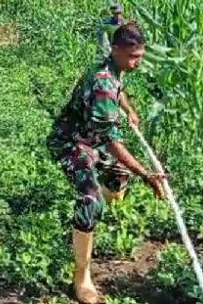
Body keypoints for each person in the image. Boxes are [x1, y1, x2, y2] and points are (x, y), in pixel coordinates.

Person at [47, 21, 166, 304]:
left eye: (140, 56)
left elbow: (119, 88)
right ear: (115, 50)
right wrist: (146, 174)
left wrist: (129, 110)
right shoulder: (101, 83)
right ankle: (81, 276)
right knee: (90, 200)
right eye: (132, 57)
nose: (136, 63)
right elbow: (111, 142)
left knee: (118, 178)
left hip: (93, 140)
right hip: (72, 143)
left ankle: (106, 212)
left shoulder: (114, 69)